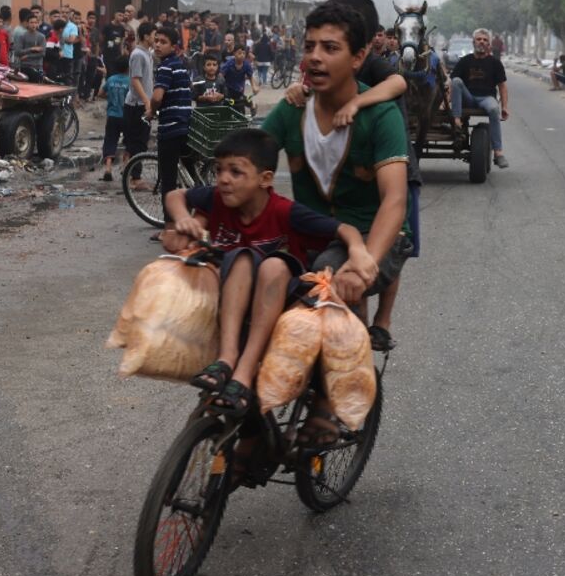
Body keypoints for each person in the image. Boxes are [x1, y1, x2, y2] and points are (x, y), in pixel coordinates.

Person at [161, 128, 376, 416]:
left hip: (279, 305)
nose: (223, 179)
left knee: (267, 262)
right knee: (239, 259)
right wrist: (184, 220)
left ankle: (244, 372)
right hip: (233, 305)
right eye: (219, 170)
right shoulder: (216, 200)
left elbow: (344, 229)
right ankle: (227, 361)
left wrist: (359, 251)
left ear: (265, 179)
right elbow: (176, 195)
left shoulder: (285, 212)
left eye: (236, 172)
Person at [261, 1, 411, 400]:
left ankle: (336, 404)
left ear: (359, 55)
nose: (315, 57)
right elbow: (247, 158)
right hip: (309, 231)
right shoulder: (292, 108)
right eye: (309, 47)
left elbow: (395, 200)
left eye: (329, 48)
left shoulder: (380, 114)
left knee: (329, 278)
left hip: (369, 233)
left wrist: (364, 266)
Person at [150, 25, 193, 221]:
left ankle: (169, 226)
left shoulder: (165, 67)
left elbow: (158, 96)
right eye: (156, 40)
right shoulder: (181, 64)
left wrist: (151, 110)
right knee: (191, 176)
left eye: (163, 42)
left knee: (168, 180)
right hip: (186, 125)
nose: (158, 45)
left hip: (171, 129)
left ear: (173, 47)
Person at [451, 28, 510, 168]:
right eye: (479, 39)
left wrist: (505, 107)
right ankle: (457, 122)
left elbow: (502, 86)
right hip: (469, 97)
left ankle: (498, 153)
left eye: (485, 40)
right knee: (456, 81)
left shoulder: (495, 63)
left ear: (488, 44)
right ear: (473, 42)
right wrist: (445, 102)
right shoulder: (465, 61)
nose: (482, 42)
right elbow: (452, 84)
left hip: (486, 98)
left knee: (494, 109)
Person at [123, 21, 156, 190]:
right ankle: (135, 178)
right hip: (137, 105)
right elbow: (135, 80)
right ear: (145, 36)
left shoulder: (147, 53)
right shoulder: (138, 55)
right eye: (153, 35)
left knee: (136, 141)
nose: (155, 38)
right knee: (139, 142)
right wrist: (146, 101)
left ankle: (128, 172)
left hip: (142, 103)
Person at [97, 54, 131, 182]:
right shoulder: (130, 81)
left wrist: (110, 97)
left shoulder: (111, 79)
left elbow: (100, 94)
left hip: (112, 116)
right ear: (128, 68)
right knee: (129, 141)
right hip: (127, 116)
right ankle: (125, 167)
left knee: (110, 141)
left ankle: (108, 169)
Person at [220, 45, 259, 116]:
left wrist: (254, 87)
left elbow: (250, 76)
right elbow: (220, 75)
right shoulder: (229, 64)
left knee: (243, 101)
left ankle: (253, 107)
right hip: (228, 89)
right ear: (234, 54)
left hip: (239, 89)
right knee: (228, 104)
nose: (242, 55)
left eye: (244, 53)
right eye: (239, 53)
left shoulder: (246, 65)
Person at [15, 12, 47, 81]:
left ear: (38, 24)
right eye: (31, 22)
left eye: (35, 22)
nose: (33, 24)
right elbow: (17, 52)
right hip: (24, 66)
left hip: (37, 67)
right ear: (27, 23)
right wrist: (31, 49)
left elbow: (42, 53)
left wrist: (28, 56)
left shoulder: (41, 37)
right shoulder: (22, 36)